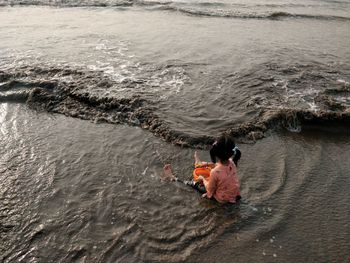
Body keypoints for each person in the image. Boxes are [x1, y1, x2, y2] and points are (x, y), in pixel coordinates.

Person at [163, 134, 241, 203]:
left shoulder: (215, 172)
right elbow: (218, 165)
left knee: (193, 184)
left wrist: (203, 179)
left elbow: (210, 190)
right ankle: (199, 164)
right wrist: (205, 164)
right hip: (234, 195)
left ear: (215, 153)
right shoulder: (232, 162)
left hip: (222, 199)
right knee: (214, 168)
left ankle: (172, 177)